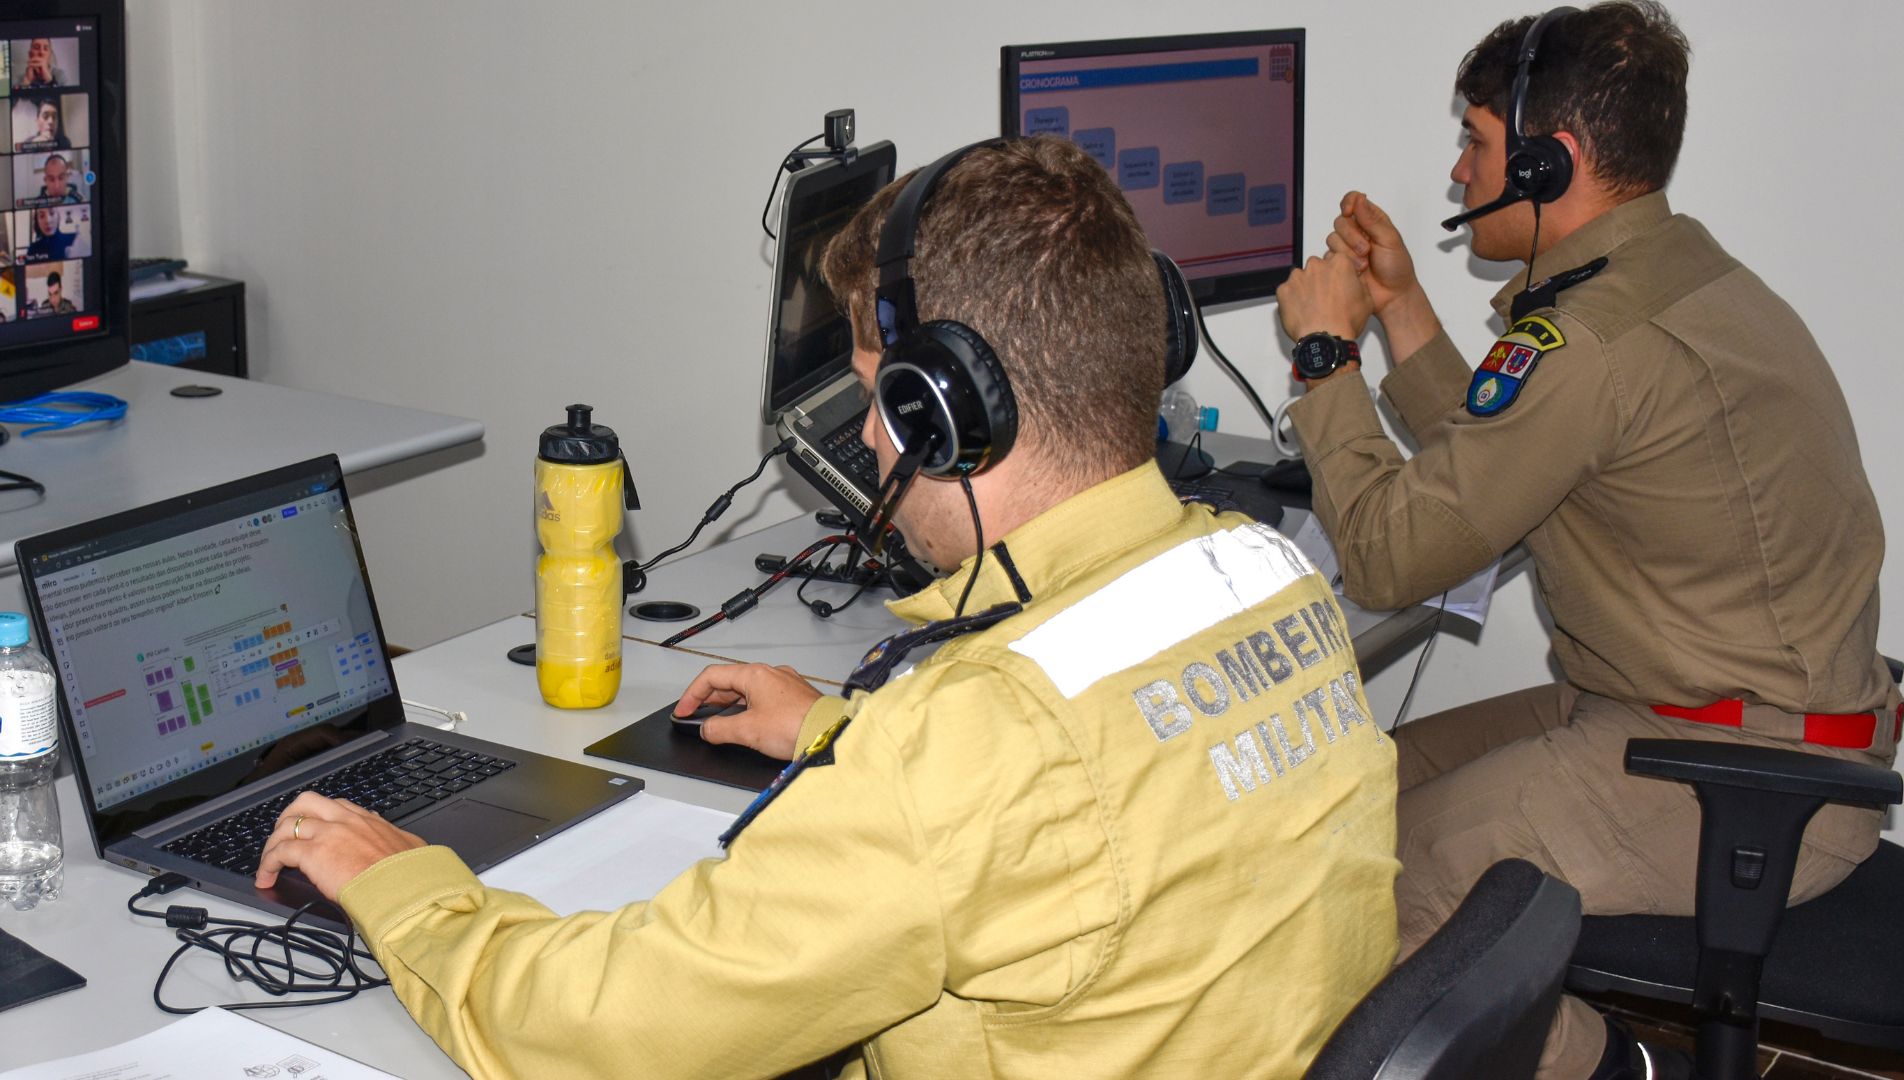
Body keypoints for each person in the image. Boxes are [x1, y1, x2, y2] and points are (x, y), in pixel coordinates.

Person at [254, 136, 1400, 1080]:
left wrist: (401, 882)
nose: (869, 443)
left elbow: (598, 1036)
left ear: (946, 413)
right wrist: (842, 734)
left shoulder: (967, 755)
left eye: (873, 399)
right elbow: (1105, 791)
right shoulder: (1263, 572)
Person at [1272, 4, 1898, 1079]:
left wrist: (1327, 357)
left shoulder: (1595, 342)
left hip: (1741, 779)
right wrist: (1403, 308)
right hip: (1698, 716)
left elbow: (1385, 557)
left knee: (1357, 901)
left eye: (1474, 142)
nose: (1458, 172)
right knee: (1349, 795)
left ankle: (1617, 1070)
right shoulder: (1668, 277)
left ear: (1546, 162)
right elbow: (1502, 455)